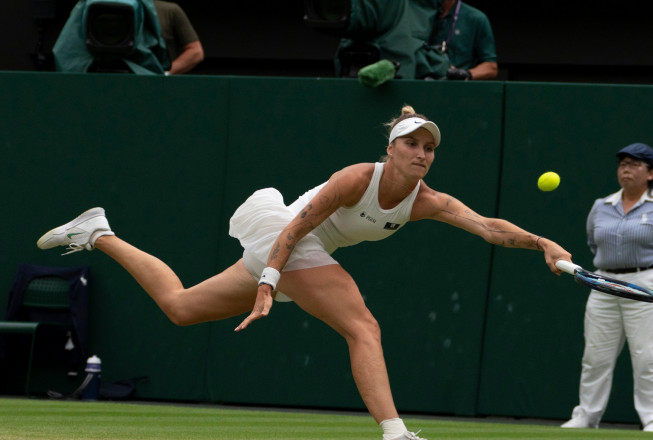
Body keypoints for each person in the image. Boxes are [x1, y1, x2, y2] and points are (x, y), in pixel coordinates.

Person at [37, 105, 572, 440]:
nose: (422, 154)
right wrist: (269, 282)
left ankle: (97, 233)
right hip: (284, 238)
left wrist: (541, 242)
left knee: (179, 307)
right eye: (412, 143)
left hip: (292, 259)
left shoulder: (426, 200)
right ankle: (394, 433)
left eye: (430, 148)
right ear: (391, 149)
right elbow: (294, 232)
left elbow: (488, 227)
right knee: (363, 326)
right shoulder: (353, 178)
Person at [561, 143, 653, 432]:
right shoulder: (601, 206)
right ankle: (586, 415)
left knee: (648, 355)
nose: (626, 168)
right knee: (595, 355)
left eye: (634, 164)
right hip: (603, 282)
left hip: (648, 282)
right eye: (622, 164)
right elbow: (593, 242)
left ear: (650, 173)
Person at [429, 0, 498, 80]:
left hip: (457, 87)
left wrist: (464, 74)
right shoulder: (420, 16)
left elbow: (491, 67)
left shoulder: (475, 18)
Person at [154, 0, 204, 75]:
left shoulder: (168, 10)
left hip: (163, 83)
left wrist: (165, 73)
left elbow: (196, 52)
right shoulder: (130, 10)